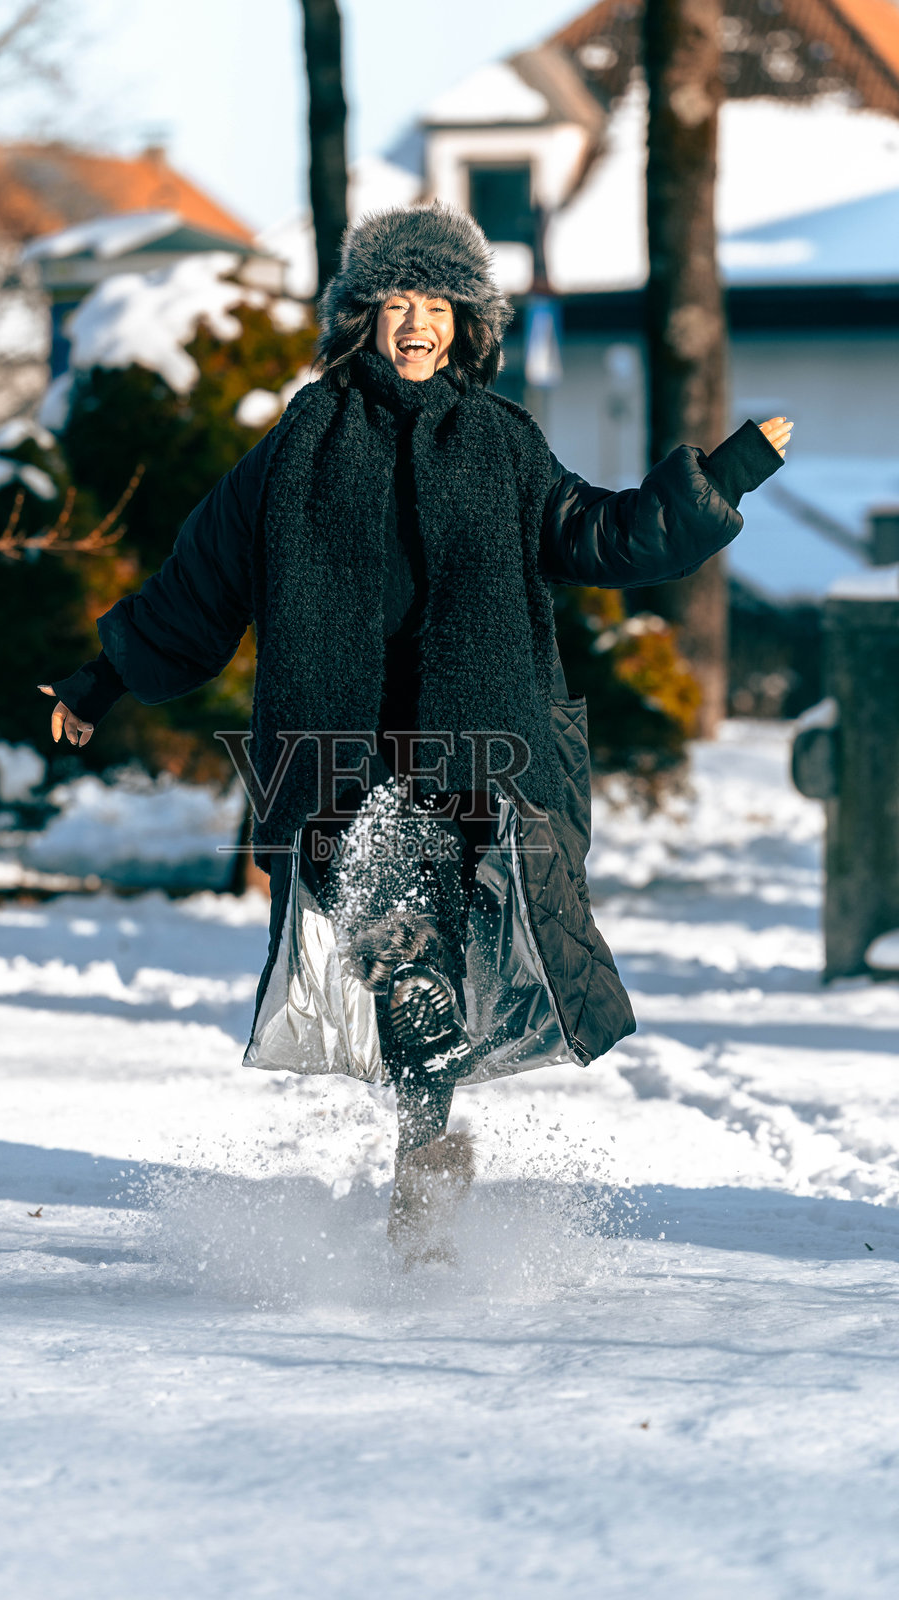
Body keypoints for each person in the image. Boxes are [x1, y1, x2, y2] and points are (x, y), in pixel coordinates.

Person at [41, 203, 791, 1262]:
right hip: (340, 765)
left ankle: (423, 1151)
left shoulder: (500, 442)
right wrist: (102, 677)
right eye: (396, 302)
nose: (416, 324)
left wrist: (724, 476)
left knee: (437, 971)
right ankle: (427, 1158)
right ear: (363, 317)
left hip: (474, 761)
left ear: (465, 323)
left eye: (436, 304)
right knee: (405, 966)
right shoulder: (301, 441)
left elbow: (601, 535)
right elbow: (200, 582)